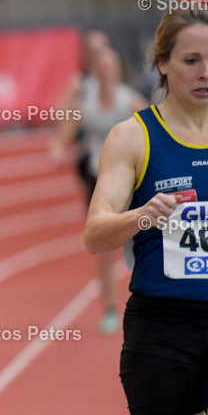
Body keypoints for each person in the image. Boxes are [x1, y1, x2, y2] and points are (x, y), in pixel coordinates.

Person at [84, 8, 208, 415]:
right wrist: (142, 214)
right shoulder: (133, 137)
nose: (206, 73)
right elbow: (96, 233)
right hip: (163, 334)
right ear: (163, 65)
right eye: (191, 60)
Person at [53, 34, 148, 335]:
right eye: (100, 66)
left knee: (139, 240)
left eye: (111, 66)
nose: (106, 71)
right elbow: (66, 128)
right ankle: (109, 307)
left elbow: (152, 132)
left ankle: (145, 298)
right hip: (97, 176)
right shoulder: (86, 102)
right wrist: (58, 145)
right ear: (94, 70)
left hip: (131, 179)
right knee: (105, 247)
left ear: (118, 70)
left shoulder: (130, 101)